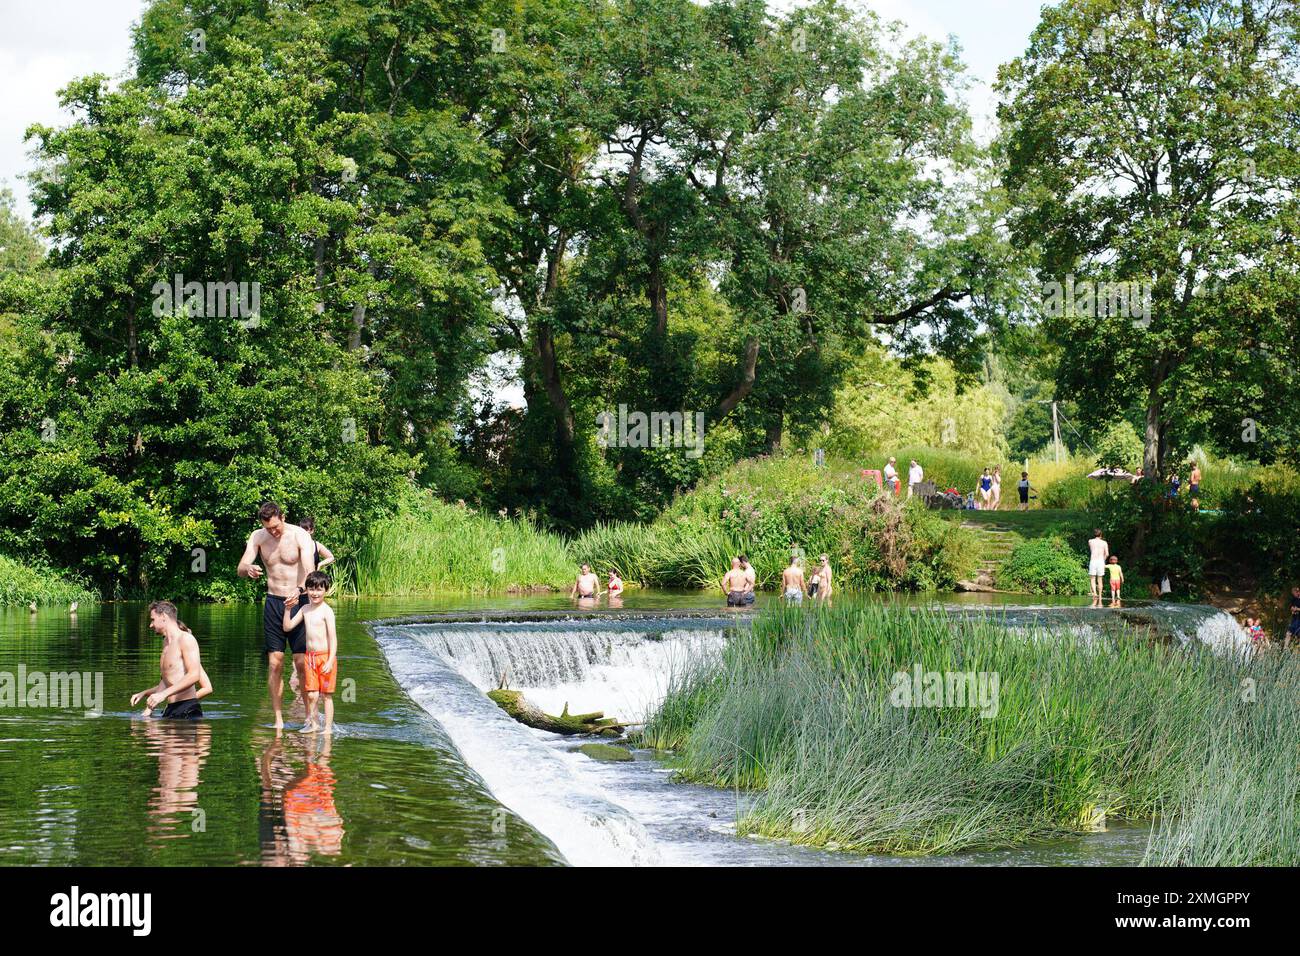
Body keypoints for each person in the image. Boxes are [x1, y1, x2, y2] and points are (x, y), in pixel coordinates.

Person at [238, 501, 315, 730]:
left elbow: (310, 570)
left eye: (275, 526)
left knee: (301, 663)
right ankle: (279, 719)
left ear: (282, 517)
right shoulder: (258, 537)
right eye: (268, 528)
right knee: (275, 663)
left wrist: (300, 590)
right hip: (273, 601)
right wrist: (248, 569)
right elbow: (241, 566)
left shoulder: (300, 535)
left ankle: (310, 716)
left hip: (299, 599)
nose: (273, 531)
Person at [131, 601, 209, 720]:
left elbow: (194, 675)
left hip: (187, 709)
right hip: (171, 709)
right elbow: (166, 679)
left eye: (153, 619)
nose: (151, 625)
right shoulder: (166, 643)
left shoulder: (186, 639)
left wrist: (163, 694)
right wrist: (149, 708)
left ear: (163, 617)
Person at [282, 571, 338, 734]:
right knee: (312, 694)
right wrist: (287, 610)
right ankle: (313, 724)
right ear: (306, 590)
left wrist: (329, 660)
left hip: (325, 657)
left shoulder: (327, 611)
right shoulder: (305, 609)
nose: (315, 593)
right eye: (312, 589)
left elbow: (333, 639)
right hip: (310, 658)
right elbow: (288, 627)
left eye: (319, 589)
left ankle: (327, 728)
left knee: (326, 695)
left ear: (325, 590)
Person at [1087, 529, 1109, 608]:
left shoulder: (1090, 541)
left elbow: (1091, 549)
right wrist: (1103, 560)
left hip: (1093, 561)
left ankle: (1095, 594)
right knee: (1100, 579)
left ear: (1094, 534)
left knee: (1092, 579)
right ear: (1101, 535)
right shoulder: (1104, 543)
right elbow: (1107, 554)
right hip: (1100, 561)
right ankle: (1099, 596)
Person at [1287, 586, 1300, 650]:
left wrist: (1297, 609)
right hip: (1294, 619)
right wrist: (1293, 609)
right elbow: (1291, 607)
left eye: (1294, 593)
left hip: (1299, 620)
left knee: (1298, 636)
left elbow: (1297, 608)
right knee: (1288, 633)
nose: (1293, 595)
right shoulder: (1294, 599)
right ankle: (1285, 650)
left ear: (1298, 592)